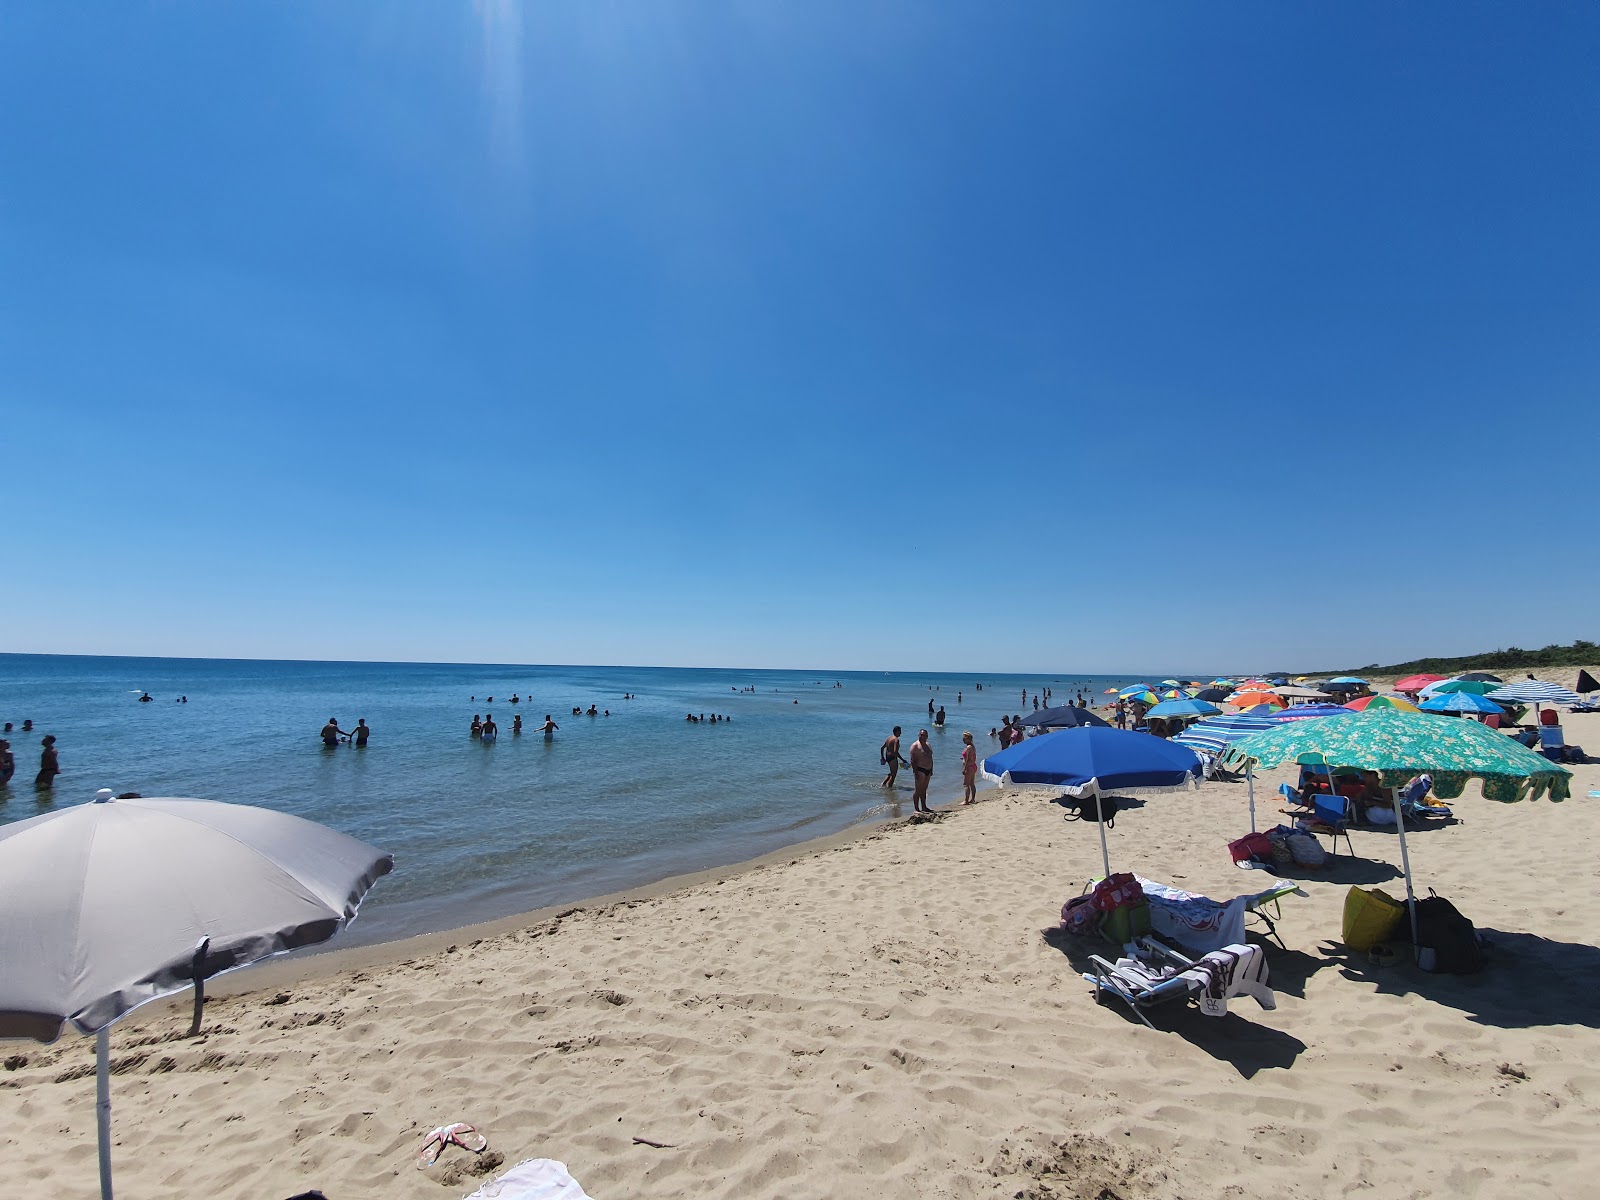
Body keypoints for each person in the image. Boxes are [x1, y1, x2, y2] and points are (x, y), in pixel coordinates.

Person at [908, 730, 934, 813]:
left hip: (928, 769)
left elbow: (930, 757)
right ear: (918, 735)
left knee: (924, 790)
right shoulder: (915, 746)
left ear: (927, 736)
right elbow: (912, 760)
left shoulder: (928, 745)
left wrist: (932, 769)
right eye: (921, 735)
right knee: (918, 790)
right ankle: (916, 808)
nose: (923, 737)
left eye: (924, 735)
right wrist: (915, 772)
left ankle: (924, 807)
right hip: (920, 770)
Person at [960, 731, 978, 804]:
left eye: (964, 738)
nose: (963, 740)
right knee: (971, 784)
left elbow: (968, 759)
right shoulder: (972, 746)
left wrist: (965, 768)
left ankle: (966, 800)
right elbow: (971, 757)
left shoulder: (969, 747)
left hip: (969, 767)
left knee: (966, 784)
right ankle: (972, 799)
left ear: (969, 739)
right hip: (973, 766)